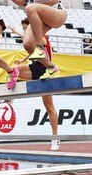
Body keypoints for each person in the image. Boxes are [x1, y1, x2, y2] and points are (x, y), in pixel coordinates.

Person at [10, 18, 60, 150]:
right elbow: (34, 50)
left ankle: (55, 138)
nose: (26, 31)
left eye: (27, 29)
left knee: (49, 107)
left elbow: (38, 43)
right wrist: (24, 59)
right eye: (24, 29)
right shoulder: (32, 39)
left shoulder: (40, 36)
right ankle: (10, 97)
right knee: (13, 70)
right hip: (34, 67)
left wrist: (17, 32)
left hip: (46, 71)